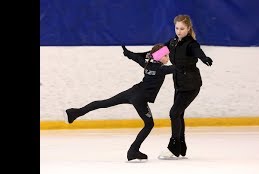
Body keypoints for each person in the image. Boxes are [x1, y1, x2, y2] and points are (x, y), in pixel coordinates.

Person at [63, 44, 174, 162]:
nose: (168, 58)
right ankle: (133, 151)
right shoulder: (162, 69)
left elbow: (136, 57)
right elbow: (177, 68)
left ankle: (74, 113)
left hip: (131, 92)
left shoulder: (147, 64)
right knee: (149, 124)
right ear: (158, 57)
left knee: (104, 103)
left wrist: (127, 53)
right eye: (165, 55)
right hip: (140, 99)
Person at [128, 15, 213, 159]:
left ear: (188, 29)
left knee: (174, 113)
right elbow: (156, 54)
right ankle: (181, 146)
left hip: (191, 85)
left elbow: (198, 52)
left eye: (182, 29)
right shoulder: (172, 42)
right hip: (179, 84)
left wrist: (204, 58)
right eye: (177, 28)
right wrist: (135, 55)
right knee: (179, 114)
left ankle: (173, 147)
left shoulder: (191, 44)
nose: (179, 31)